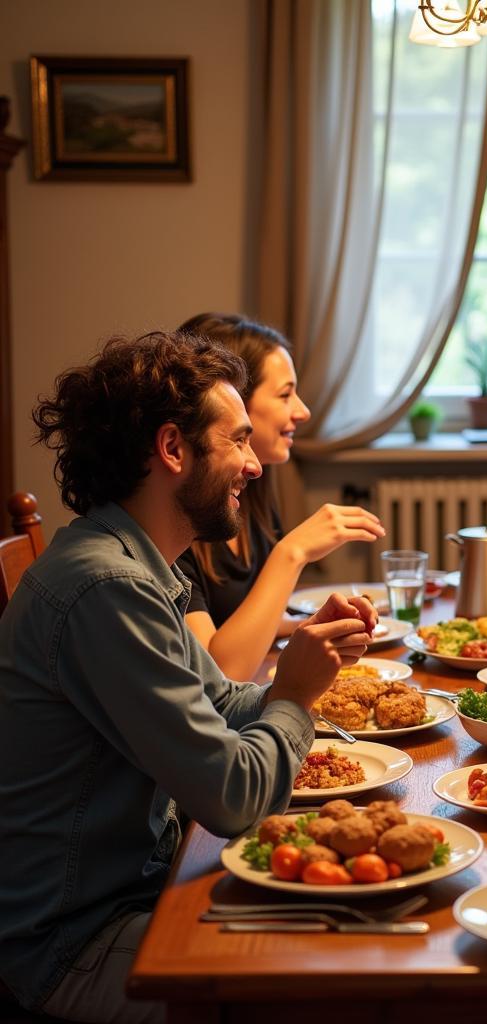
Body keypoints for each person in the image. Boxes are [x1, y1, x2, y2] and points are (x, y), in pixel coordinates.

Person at [0, 332, 376, 1022]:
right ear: (174, 450)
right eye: (236, 441)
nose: (254, 465)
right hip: (75, 941)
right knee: (339, 978)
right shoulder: (106, 586)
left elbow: (222, 701)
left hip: (140, 890)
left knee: (360, 934)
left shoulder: (136, 561)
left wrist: (307, 670)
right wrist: (292, 694)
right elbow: (235, 798)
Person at [175, 313, 386, 682]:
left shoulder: (250, 495)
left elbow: (242, 625)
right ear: (232, 401)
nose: (302, 411)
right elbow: (217, 676)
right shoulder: (172, 527)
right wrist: (291, 553)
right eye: (285, 394)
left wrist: (315, 626)